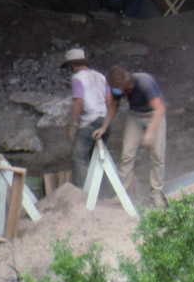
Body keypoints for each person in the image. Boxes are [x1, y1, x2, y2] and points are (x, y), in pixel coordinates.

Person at [92, 66, 167, 208]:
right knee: (127, 154)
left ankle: (156, 192)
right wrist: (104, 127)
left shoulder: (144, 83)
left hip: (154, 114)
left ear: (128, 85)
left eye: (126, 92)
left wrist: (150, 132)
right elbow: (113, 106)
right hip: (136, 116)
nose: (124, 96)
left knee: (157, 154)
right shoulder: (117, 87)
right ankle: (122, 194)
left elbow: (159, 108)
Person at [63, 48, 108, 187]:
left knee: (79, 158)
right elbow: (109, 99)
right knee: (98, 158)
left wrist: (71, 125)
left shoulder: (77, 78)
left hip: (89, 123)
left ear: (72, 65)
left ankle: (82, 194)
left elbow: (78, 102)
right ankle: (102, 190)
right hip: (104, 120)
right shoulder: (100, 76)